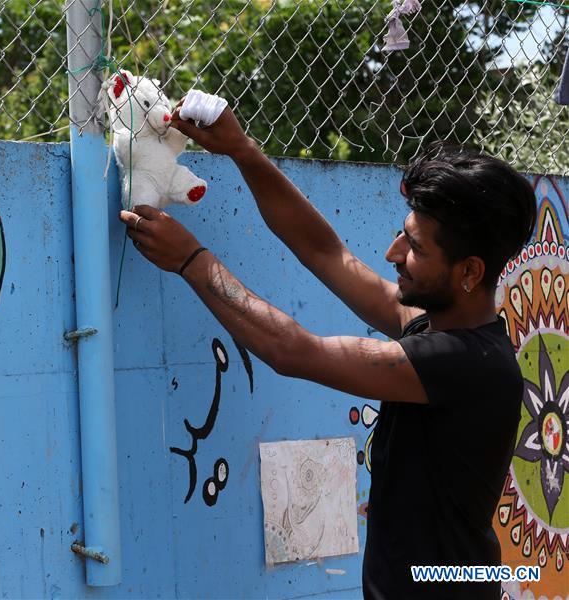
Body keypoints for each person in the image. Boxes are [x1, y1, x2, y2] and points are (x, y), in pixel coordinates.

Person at [119, 105, 537, 599]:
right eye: (403, 233)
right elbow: (326, 252)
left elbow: (293, 351)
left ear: (469, 273)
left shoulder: (462, 363)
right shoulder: (433, 325)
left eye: (416, 249)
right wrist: (242, 150)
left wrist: (192, 260)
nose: (392, 254)